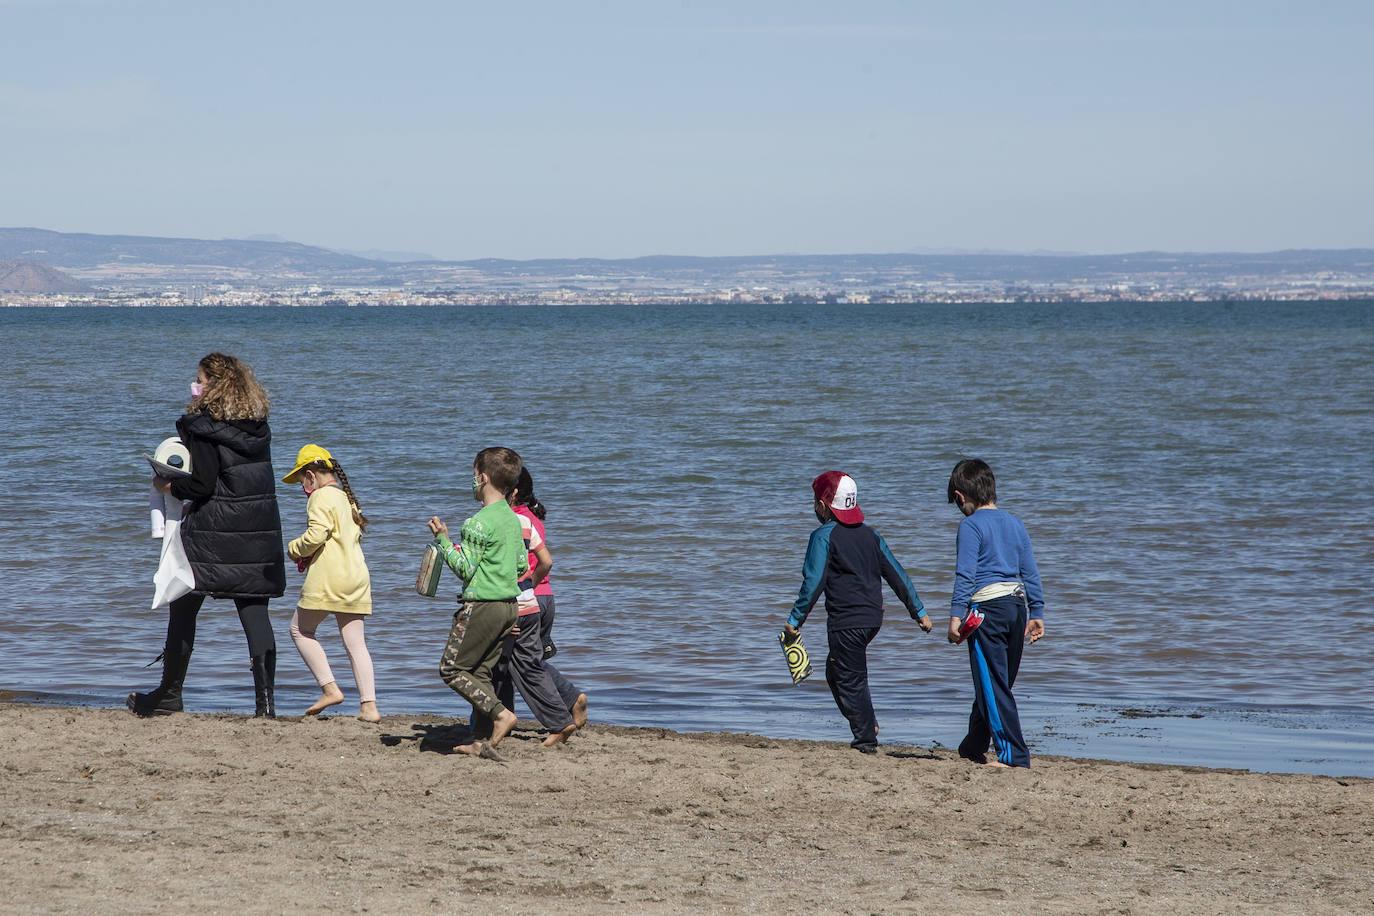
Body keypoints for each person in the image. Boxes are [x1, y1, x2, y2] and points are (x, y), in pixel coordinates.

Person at [128, 352, 286, 718]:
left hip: (213, 529)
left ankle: (169, 694)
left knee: (182, 602)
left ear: (212, 386)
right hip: (257, 531)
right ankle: (266, 707)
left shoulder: (201, 426)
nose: (194, 386)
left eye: (198, 380)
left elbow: (202, 485)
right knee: (254, 611)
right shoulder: (257, 427)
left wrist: (167, 485)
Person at [783, 471, 932, 754]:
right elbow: (896, 573)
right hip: (873, 618)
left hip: (845, 622)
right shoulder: (871, 535)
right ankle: (866, 722)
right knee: (835, 671)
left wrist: (794, 621)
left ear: (824, 505)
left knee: (851, 677)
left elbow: (813, 582)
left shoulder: (822, 537)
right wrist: (919, 611)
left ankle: (865, 739)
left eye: (815, 501)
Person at [428, 447, 529, 756]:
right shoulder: (513, 520)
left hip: (483, 605)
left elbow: (463, 567)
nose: (472, 481)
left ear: (483, 478)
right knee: (481, 672)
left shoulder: (477, 523)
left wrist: (444, 542)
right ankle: (480, 740)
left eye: (473, 475)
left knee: (452, 669)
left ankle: (501, 715)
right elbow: (522, 566)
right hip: (509, 606)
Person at [946, 458, 1045, 769]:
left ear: (961, 496)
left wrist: (955, 616)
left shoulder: (970, 525)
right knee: (997, 682)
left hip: (986, 610)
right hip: (1016, 607)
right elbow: (1029, 570)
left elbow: (965, 574)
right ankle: (973, 746)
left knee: (993, 684)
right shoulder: (1015, 522)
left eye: (956, 502)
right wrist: (1037, 610)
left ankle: (1015, 757)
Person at [281, 444, 381, 723]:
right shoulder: (347, 497)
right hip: (357, 577)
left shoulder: (320, 496)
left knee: (300, 630)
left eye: (301, 480)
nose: (303, 487)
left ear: (311, 475)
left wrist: (294, 549)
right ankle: (369, 707)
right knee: (356, 644)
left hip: (329, 578)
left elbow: (316, 535)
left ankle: (330, 689)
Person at [491, 466, 587, 745]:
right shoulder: (533, 516)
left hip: (528, 597)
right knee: (528, 659)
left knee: (516, 661)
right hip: (547, 598)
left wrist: (525, 587)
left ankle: (561, 704)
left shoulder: (513, 519)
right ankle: (569, 699)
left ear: (511, 491)